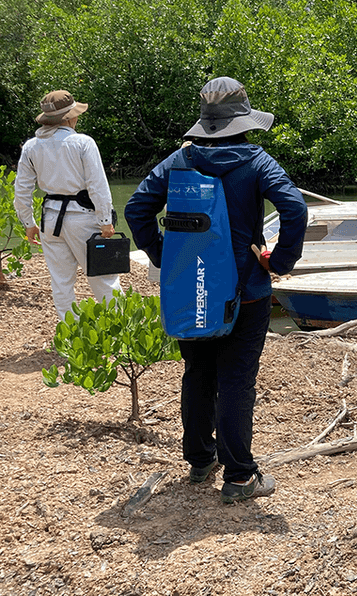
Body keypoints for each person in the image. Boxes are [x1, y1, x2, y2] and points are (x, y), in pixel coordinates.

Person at [124, 76, 306, 503]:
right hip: (248, 290)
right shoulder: (258, 161)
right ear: (243, 121)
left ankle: (201, 460)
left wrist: (164, 256)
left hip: (193, 288)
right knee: (237, 380)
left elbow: (136, 209)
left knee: (198, 372)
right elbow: (295, 208)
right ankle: (240, 476)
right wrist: (279, 262)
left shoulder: (181, 159)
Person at [14, 90, 122, 321]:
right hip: (83, 218)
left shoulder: (31, 146)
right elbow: (97, 185)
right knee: (103, 277)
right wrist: (105, 221)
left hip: (50, 220)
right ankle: (121, 332)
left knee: (61, 281)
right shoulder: (82, 142)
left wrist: (28, 222)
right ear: (69, 118)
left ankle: (71, 335)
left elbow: (22, 189)